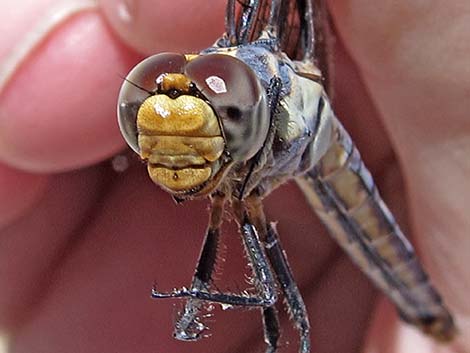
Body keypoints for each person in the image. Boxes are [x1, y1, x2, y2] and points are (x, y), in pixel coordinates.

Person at [0, 1, 468, 352]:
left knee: (285, 317)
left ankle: (434, 320)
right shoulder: (232, 135)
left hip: (364, 204)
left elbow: (279, 306)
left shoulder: (255, 106)